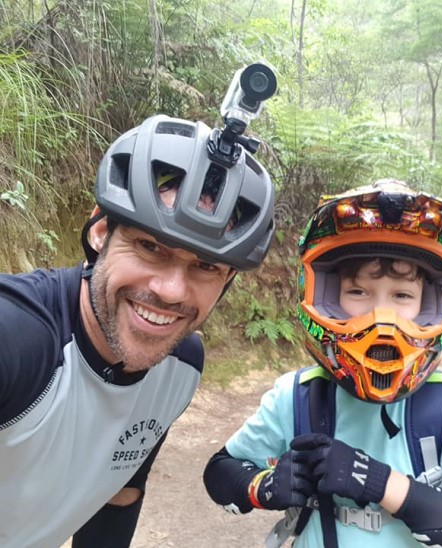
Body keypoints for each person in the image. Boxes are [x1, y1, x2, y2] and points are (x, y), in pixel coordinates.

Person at [0, 113, 275, 548]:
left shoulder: (180, 365)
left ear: (226, 282)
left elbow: (118, 492)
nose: (170, 290)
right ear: (101, 231)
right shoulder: (17, 337)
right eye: (150, 247)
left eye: (205, 266)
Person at [203, 179, 442, 547]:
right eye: (358, 292)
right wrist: (264, 486)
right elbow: (220, 472)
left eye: (401, 295)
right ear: (327, 295)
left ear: (429, 302)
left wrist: (379, 482)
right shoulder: (298, 395)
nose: (381, 317)